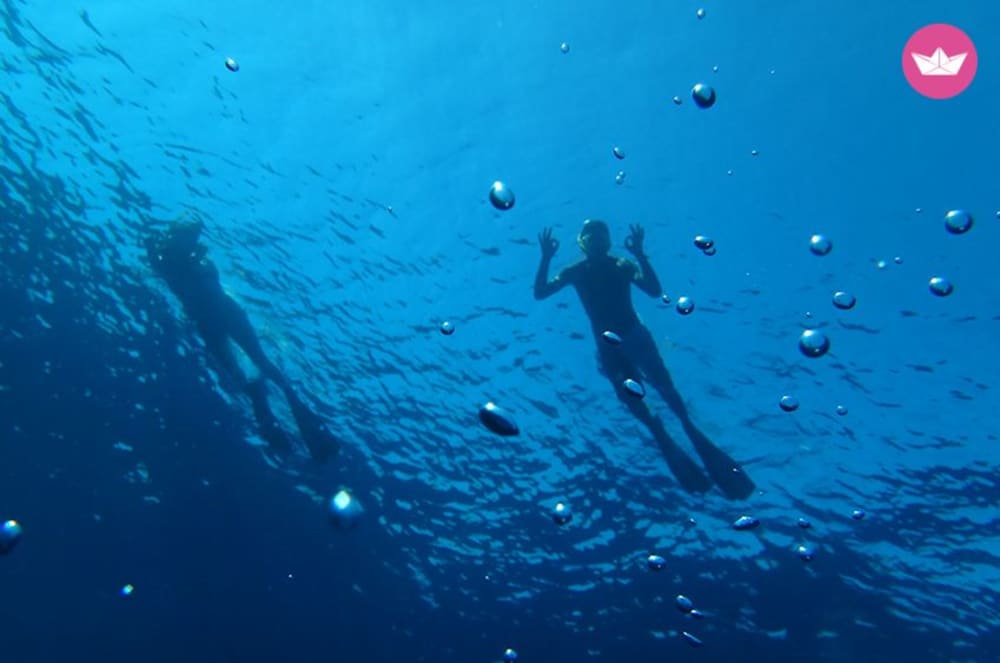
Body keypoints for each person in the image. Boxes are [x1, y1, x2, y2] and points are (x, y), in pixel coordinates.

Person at [533, 219, 754, 499]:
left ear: (607, 239)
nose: (597, 240)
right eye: (591, 235)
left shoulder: (619, 265)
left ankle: (682, 426)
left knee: (665, 390)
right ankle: (661, 430)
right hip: (611, 346)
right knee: (636, 402)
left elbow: (653, 290)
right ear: (583, 241)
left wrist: (639, 254)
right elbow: (541, 293)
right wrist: (545, 258)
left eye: (601, 234)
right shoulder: (577, 271)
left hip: (634, 337)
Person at [145, 217, 338, 463]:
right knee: (240, 374)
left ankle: (296, 410)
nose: (191, 242)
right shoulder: (167, 260)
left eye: (193, 238)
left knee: (262, 362)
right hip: (209, 325)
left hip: (227, 313)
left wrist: (188, 260)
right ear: (176, 236)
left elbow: (205, 283)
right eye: (187, 237)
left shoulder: (199, 261)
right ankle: (265, 411)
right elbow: (166, 274)